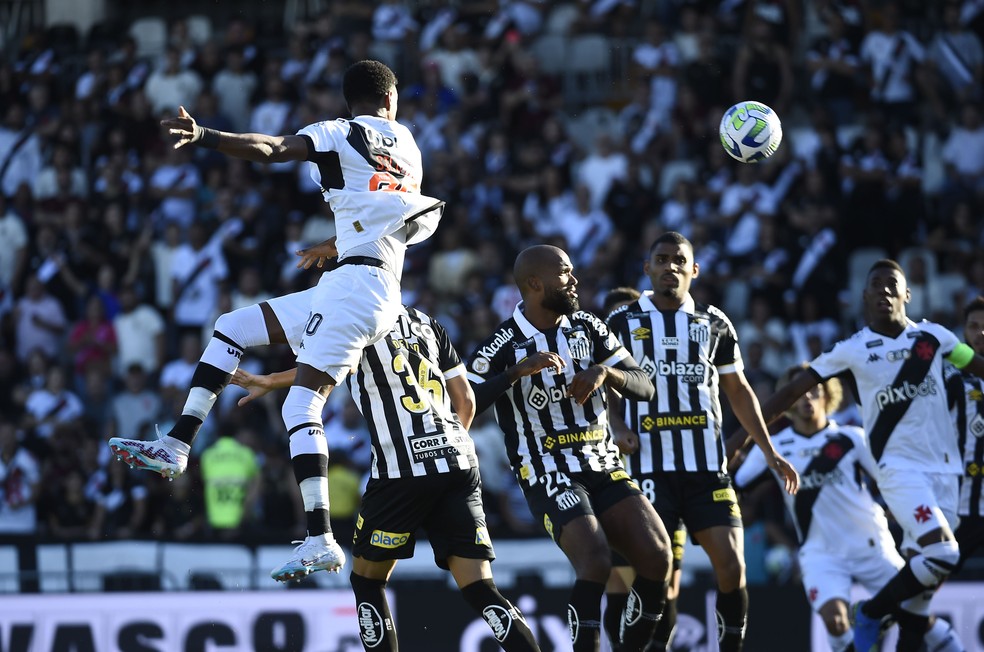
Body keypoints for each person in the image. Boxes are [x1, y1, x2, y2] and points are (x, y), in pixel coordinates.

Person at [108, 60, 445, 582]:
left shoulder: (340, 131)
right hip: (356, 281)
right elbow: (394, 218)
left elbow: (271, 149)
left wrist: (205, 134)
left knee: (301, 404)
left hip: (356, 289)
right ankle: (177, 444)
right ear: (391, 100)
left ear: (350, 97)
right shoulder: (407, 143)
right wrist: (338, 243)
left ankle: (321, 538)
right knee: (232, 326)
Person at [231, 304, 541, 652]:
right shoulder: (428, 321)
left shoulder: (352, 320)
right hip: (459, 460)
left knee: (367, 581)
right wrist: (441, 449)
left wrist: (270, 381)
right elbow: (466, 401)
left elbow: (318, 373)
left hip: (401, 469)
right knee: (481, 587)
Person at [739, 259, 984, 651]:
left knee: (920, 601)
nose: (885, 290)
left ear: (908, 294)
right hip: (899, 472)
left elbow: (976, 366)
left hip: (946, 475)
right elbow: (787, 392)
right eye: (876, 285)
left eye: (893, 284)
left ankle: (897, 620)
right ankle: (871, 612)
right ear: (865, 296)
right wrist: (739, 439)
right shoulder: (851, 350)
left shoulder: (935, 340)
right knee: (944, 551)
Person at [466, 245, 673, 652]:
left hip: (602, 462)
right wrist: (515, 373)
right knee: (595, 560)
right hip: (545, 469)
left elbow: (645, 386)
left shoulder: (589, 328)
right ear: (535, 283)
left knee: (658, 557)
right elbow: (464, 401)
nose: (575, 280)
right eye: (565, 273)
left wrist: (605, 371)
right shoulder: (503, 342)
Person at [605, 232, 799, 652]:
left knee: (731, 567)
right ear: (647, 268)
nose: (670, 267)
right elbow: (604, 387)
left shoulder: (714, 323)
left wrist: (769, 450)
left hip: (706, 470)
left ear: (694, 270)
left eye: (679, 260)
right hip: (649, 471)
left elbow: (739, 390)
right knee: (657, 578)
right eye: (661, 259)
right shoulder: (622, 322)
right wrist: (618, 426)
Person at [733, 365, 962, 652]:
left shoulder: (852, 438)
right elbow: (737, 484)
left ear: (828, 395)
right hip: (820, 552)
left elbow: (890, 482)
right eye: (799, 393)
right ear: (787, 401)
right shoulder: (774, 447)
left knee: (914, 616)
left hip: (870, 544)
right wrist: (731, 465)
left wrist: (901, 513)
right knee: (836, 622)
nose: (807, 398)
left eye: (814, 390)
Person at [947, 296, 984, 575]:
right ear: (964, 332)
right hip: (964, 502)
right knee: (934, 575)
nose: (980, 333)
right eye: (974, 326)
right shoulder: (952, 380)